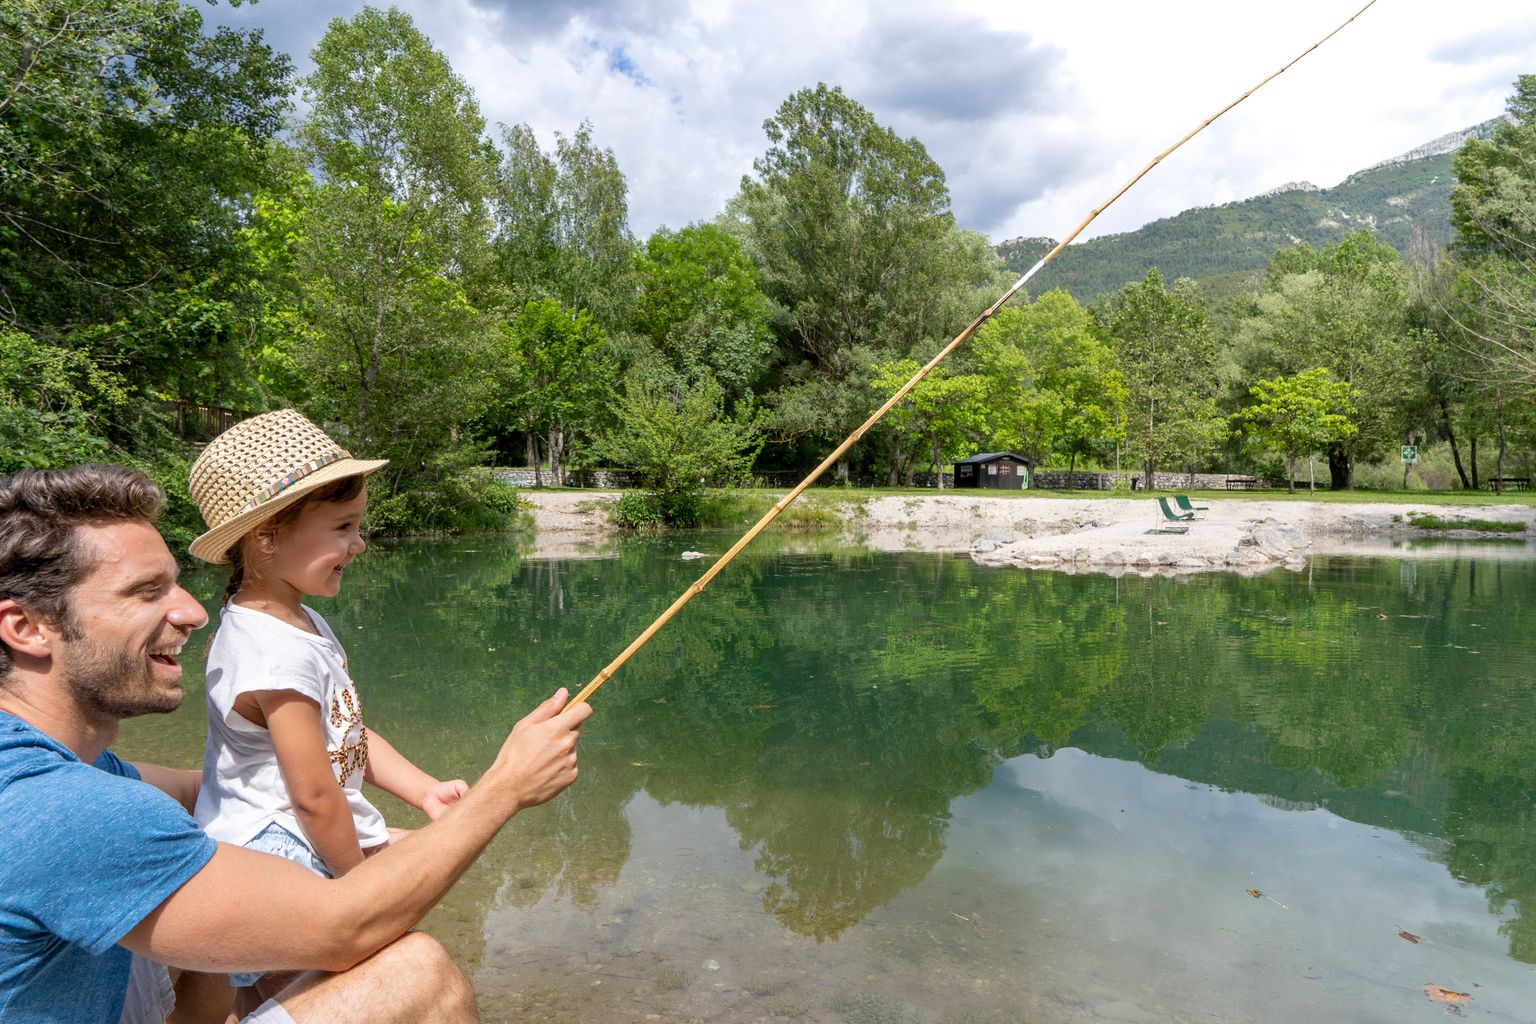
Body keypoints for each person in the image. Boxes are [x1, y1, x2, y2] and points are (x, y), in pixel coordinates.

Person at [0, 464, 592, 1024]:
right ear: (26, 627)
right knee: (417, 973)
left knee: (211, 951)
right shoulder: (59, 809)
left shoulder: (69, 774)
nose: (195, 612)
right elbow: (349, 923)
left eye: (175, 583)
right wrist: (505, 787)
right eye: (146, 591)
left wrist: (397, 832)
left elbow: (214, 791)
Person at [182, 410, 468, 1012]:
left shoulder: (293, 620)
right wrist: (357, 888)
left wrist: (423, 791)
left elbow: (346, 731)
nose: (358, 544)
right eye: (343, 526)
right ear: (266, 536)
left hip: (295, 842)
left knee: (294, 1000)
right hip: (279, 856)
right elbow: (313, 793)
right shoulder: (271, 652)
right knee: (314, 997)